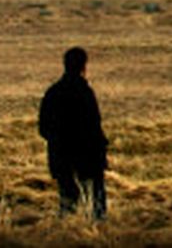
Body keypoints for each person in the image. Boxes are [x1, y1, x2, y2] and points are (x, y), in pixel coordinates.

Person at [38, 46, 108, 219]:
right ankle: (97, 232)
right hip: (86, 154)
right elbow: (94, 126)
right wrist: (99, 150)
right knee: (96, 199)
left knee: (67, 200)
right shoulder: (85, 92)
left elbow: (43, 128)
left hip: (61, 155)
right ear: (84, 66)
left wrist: (58, 142)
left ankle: (66, 232)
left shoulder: (53, 92)